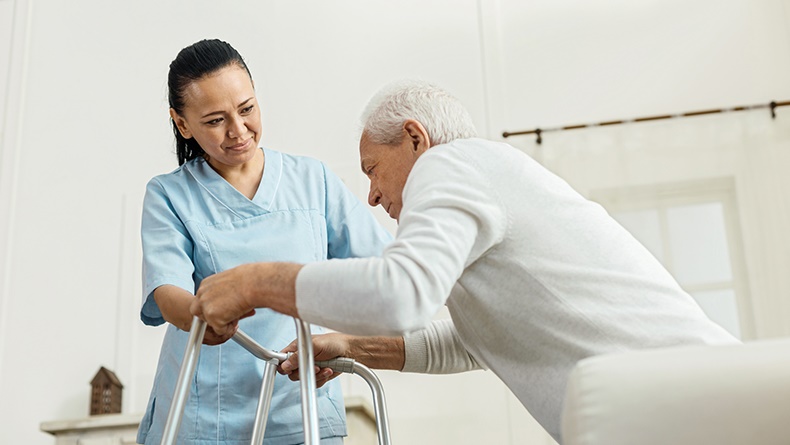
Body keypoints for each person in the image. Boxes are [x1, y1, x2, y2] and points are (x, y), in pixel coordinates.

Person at [189, 80, 739, 442]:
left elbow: (400, 294)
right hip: (675, 409)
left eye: (373, 169)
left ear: (414, 138)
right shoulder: (486, 191)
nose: (374, 197)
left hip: (694, 409)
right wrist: (351, 346)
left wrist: (255, 281)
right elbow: (477, 338)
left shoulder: (451, 164)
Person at [137, 39, 391, 445]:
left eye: (247, 109)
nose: (238, 131)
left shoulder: (314, 181)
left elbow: (387, 277)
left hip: (301, 407)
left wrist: (347, 345)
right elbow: (167, 291)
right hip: (204, 418)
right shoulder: (169, 195)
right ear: (182, 123)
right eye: (216, 120)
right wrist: (202, 316)